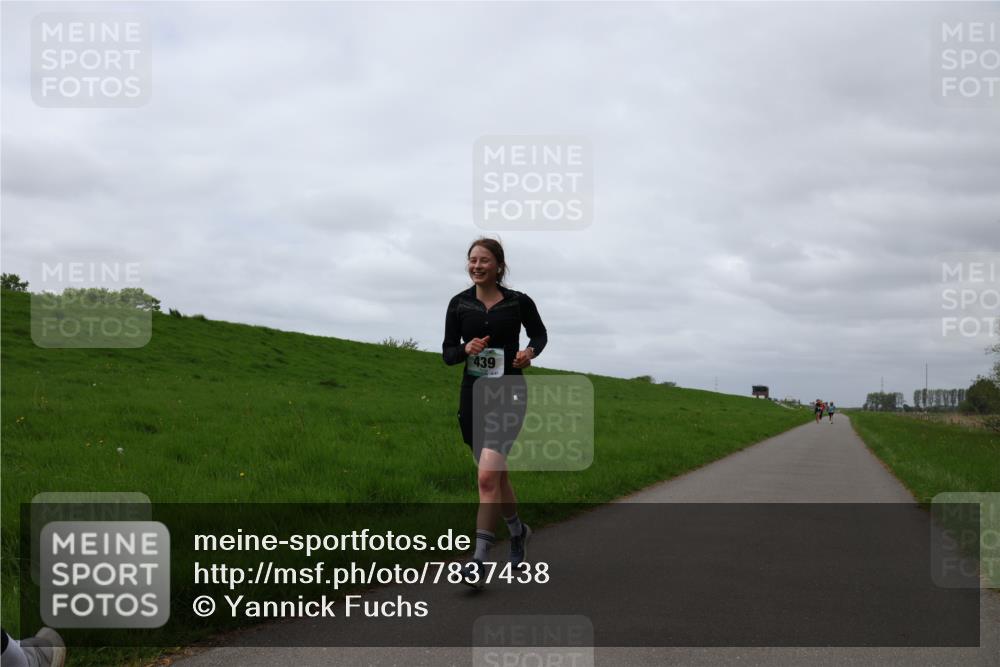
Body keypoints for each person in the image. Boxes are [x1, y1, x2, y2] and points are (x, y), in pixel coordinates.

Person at [442, 237, 547, 589]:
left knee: (486, 477)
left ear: (499, 265)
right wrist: (465, 348)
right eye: (472, 260)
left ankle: (478, 562)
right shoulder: (459, 304)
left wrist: (529, 353)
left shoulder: (518, 302)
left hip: (509, 394)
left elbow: (539, 335)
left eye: (484, 260)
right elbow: (447, 353)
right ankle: (518, 532)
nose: (477, 266)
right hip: (473, 396)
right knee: (496, 476)